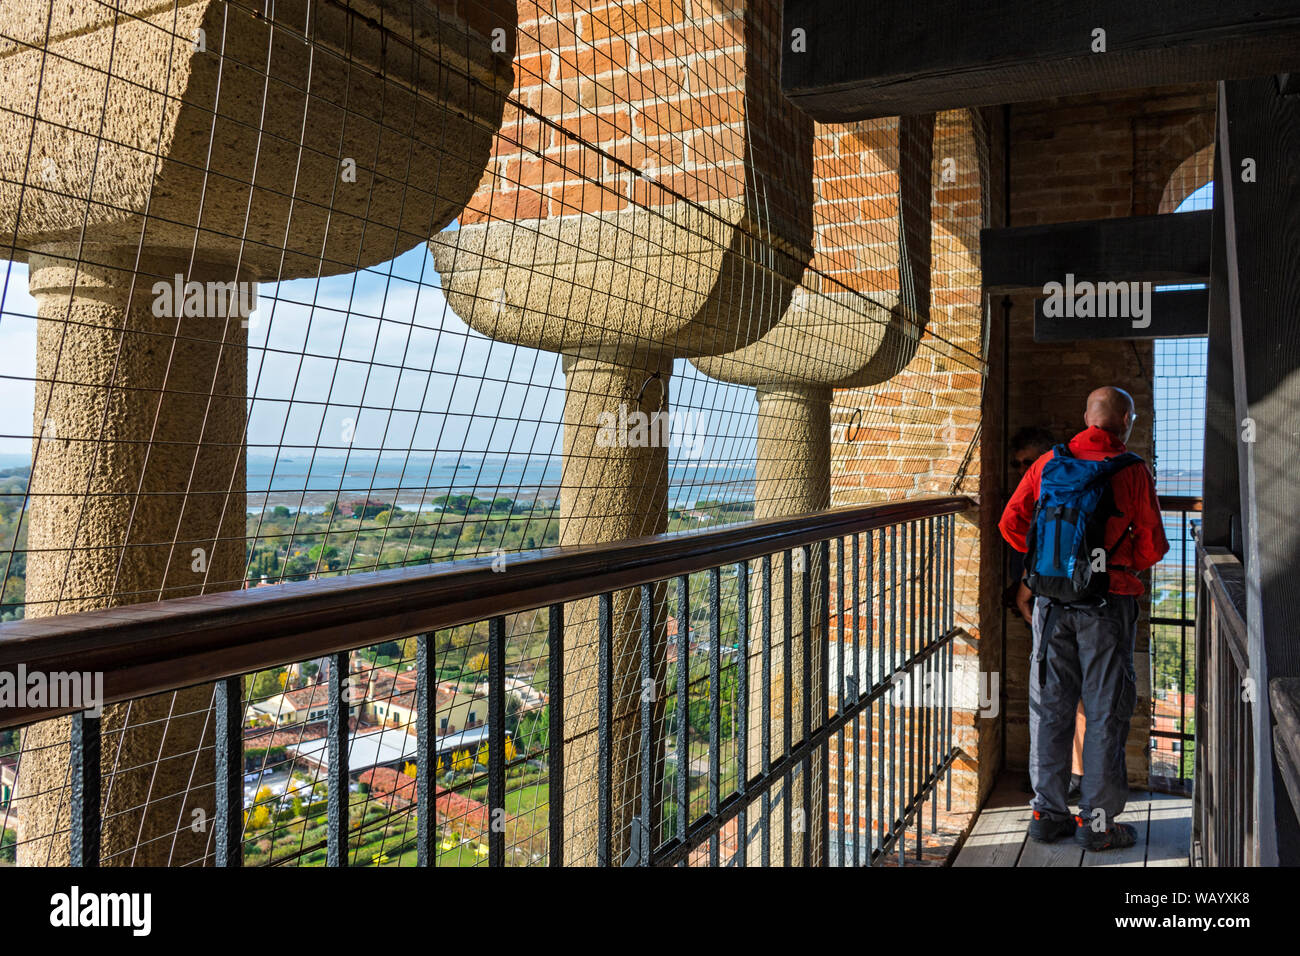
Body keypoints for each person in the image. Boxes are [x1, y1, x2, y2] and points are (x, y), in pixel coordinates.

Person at [999, 387, 1169, 850]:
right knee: (1103, 713)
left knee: (1050, 710)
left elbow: (1011, 524)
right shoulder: (1132, 471)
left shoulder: (1048, 463)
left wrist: (1052, 568)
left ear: (1086, 418)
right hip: (1107, 606)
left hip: (1051, 607)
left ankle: (1046, 814)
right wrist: (1109, 566)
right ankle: (1097, 825)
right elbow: (1154, 547)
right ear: (1127, 422)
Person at [1006, 427, 1086, 804]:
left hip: (1052, 601)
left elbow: (1035, 540)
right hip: (1062, 600)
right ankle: (1071, 778)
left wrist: (1027, 582)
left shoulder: (1051, 487)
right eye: (1018, 464)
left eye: (1028, 462)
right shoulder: (1060, 483)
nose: (1023, 469)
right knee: (1069, 691)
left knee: (1062, 693)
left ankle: (1066, 780)